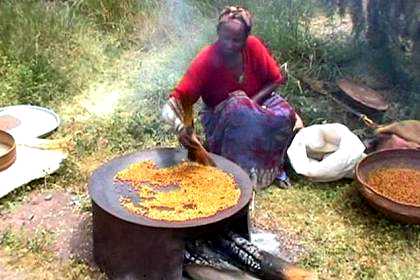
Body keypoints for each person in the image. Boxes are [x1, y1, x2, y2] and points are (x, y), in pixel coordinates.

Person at [162, 6, 302, 189]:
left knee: (286, 114)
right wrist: (182, 127)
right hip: (221, 117)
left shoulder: (253, 46)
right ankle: (237, 172)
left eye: (236, 40)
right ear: (218, 33)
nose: (229, 44)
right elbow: (176, 101)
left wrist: (252, 102)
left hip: (257, 102)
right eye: (225, 38)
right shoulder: (206, 59)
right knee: (239, 109)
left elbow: (275, 80)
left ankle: (271, 168)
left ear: (246, 38)